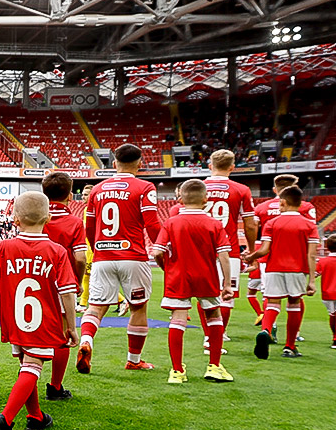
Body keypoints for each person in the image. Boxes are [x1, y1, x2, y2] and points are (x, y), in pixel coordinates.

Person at [0, 192, 78, 430]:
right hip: (43, 319)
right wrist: (72, 326)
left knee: (26, 366)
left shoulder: (3, 247)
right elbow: (67, 291)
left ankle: (36, 416)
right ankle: (5, 419)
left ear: (15, 218)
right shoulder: (57, 251)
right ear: (48, 217)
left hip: (15, 320)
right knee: (32, 367)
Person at [76, 143, 163, 374]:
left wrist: (99, 249)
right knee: (138, 308)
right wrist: (163, 247)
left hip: (103, 256)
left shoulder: (97, 189)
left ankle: (87, 341)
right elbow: (153, 223)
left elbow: (90, 227)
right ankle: (134, 360)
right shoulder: (145, 187)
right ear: (140, 164)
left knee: (94, 307)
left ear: (114, 164)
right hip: (133, 256)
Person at [150, 179, 233, 384]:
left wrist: (167, 267)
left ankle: (177, 371)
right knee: (213, 316)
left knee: (178, 318)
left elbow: (157, 252)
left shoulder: (171, 222)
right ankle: (214, 366)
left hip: (179, 276)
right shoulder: (214, 223)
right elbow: (223, 255)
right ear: (206, 199)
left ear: (180, 199)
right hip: (206, 276)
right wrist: (227, 284)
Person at [248, 184, 320, 360]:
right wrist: (312, 280)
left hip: (273, 268)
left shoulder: (272, 223)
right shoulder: (309, 225)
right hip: (297, 269)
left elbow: (264, 250)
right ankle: (290, 346)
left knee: (272, 302)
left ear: (283, 203)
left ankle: (265, 330)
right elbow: (311, 254)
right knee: (294, 304)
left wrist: (251, 256)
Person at [40, 171, 87, 400]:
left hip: (35, 280)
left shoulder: (35, 217)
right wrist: (76, 282)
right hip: (61, 283)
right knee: (62, 335)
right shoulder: (75, 222)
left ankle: (27, 377)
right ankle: (55, 386)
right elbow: (80, 258)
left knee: (33, 332)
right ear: (70, 195)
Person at [202, 150, 259, 339]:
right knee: (227, 294)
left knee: (205, 295)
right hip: (229, 248)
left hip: (201, 249)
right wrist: (251, 250)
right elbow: (250, 225)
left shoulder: (198, 187)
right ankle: (219, 333)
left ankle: (207, 334)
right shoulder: (241, 189)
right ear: (232, 168)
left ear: (210, 166)